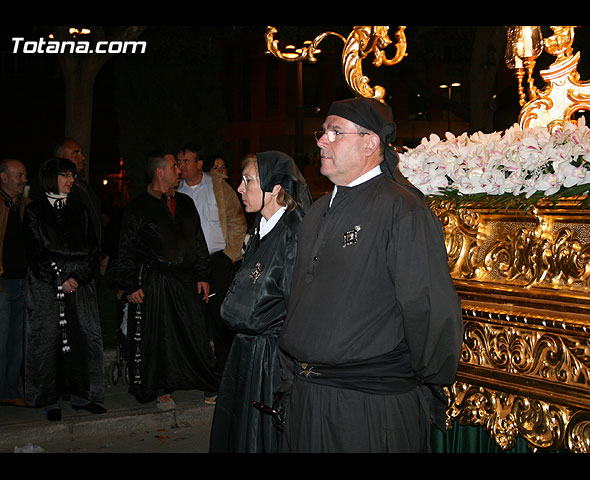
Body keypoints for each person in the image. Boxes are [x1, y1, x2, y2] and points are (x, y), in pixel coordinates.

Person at [277, 97, 464, 453]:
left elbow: (429, 309)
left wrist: (422, 379)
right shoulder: (316, 213)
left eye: (335, 132)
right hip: (307, 401)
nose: (321, 141)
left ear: (370, 142)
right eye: (323, 132)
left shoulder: (402, 209)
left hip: (368, 409)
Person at [209, 151, 311, 453]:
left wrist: (290, 379)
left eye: (248, 180)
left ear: (275, 187)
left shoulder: (293, 233)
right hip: (247, 352)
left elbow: (298, 307)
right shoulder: (260, 228)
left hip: (271, 361)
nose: (240, 188)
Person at [116, 151, 220, 409]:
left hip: (186, 281)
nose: (179, 170)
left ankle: (207, 382)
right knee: (160, 335)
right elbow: (126, 249)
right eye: (174, 166)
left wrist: (202, 275)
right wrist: (130, 285)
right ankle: (162, 389)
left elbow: (198, 241)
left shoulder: (185, 203)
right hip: (156, 282)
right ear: (159, 172)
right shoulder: (138, 207)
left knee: (195, 331)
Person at [22, 157, 106, 421]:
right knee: (49, 341)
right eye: (65, 175)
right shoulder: (34, 211)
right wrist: (59, 278)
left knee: (83, 339)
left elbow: (92, 248)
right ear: (51, 178)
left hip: (80, 286)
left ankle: (83, 396)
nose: (71, 180)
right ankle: (52, 400)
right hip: (47, 287)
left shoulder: (80, 209)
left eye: (72, 175)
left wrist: (78, 278)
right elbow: (35, 250)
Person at [176, 144, 246, 385]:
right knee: (194, 318)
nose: (181, 166)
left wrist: (229, 256)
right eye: (178, 162)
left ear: (198, 164)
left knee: (219, 317)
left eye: (186, 161)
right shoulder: (175, 191)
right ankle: (198, 371)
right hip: (189, 266)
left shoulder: (218, 187)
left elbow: (238, 221)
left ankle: (222, 372)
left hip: (219, 260)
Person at [0, 159, 29, 408]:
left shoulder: (24, 206)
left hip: (22, 281)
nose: (24, 180)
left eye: (24, 175)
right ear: (3, 177)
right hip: (2, 282)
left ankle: (9, 390)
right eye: (19, 175)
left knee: (16, 341)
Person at [53, 137, 102, 249]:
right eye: (75, 153)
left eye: (81, 153)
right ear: (60, 157)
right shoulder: (56, 189)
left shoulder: (84, 185)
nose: (82, 157)